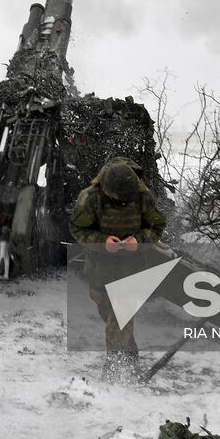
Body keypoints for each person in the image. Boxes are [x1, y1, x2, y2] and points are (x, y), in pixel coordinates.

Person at [68, 159, 167, 378]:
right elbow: (77, 229)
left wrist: (139, 240)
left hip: (132, 269)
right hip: (100, 269)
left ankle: (116, 369)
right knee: (109, 315)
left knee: (119, 319)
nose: (123, 204)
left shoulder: (143, 197)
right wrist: (102, 242)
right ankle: (130, 357)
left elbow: (157, 225)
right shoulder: (90, 199)